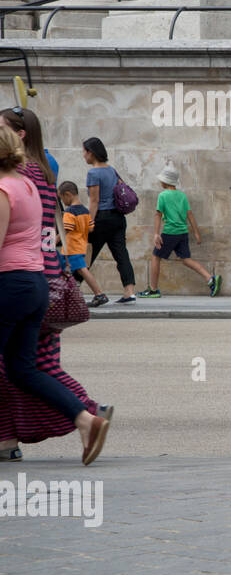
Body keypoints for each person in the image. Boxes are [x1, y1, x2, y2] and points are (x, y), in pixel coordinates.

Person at [0, 109, 107, 462]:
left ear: (18, 135)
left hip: (18, 282)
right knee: (22, 367)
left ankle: (88, 411)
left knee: (31, 366)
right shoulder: (38, 178)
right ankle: (85, 417)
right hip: (39, 282)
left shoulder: (15, 180)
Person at [137, 166, 222, 298]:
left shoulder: (163, 195)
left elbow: (158, 215)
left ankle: (153, 289)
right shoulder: (182, 195)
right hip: (183, 233)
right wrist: (196, 233)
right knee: (186, 259)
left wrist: (156, 234)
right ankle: (210, 279)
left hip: (170, 232)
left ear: (165, 182)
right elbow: (190, 214)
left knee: (155, 257)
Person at [82, 136, 137, 303]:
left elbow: (94, 201)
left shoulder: (93, 173)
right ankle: (129, 292)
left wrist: (89, 222)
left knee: (86, 255)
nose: (83, 156)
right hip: (118, 218)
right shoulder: (111, 170)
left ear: (91, 153)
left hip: (102, 218)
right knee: (121, 254)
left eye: (84, 152)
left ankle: (72, 289)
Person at [58, 181, 108, 304]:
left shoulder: (70, 211)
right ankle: (65, 296)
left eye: (62, 198)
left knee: (82, 270)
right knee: (64, 271)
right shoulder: (85, 211)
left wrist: (54, 240)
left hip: (72, 247)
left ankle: (99, 294)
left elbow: (66, 229)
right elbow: (91, 228)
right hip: (81, 245)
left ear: (68, 195)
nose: (63, 202)